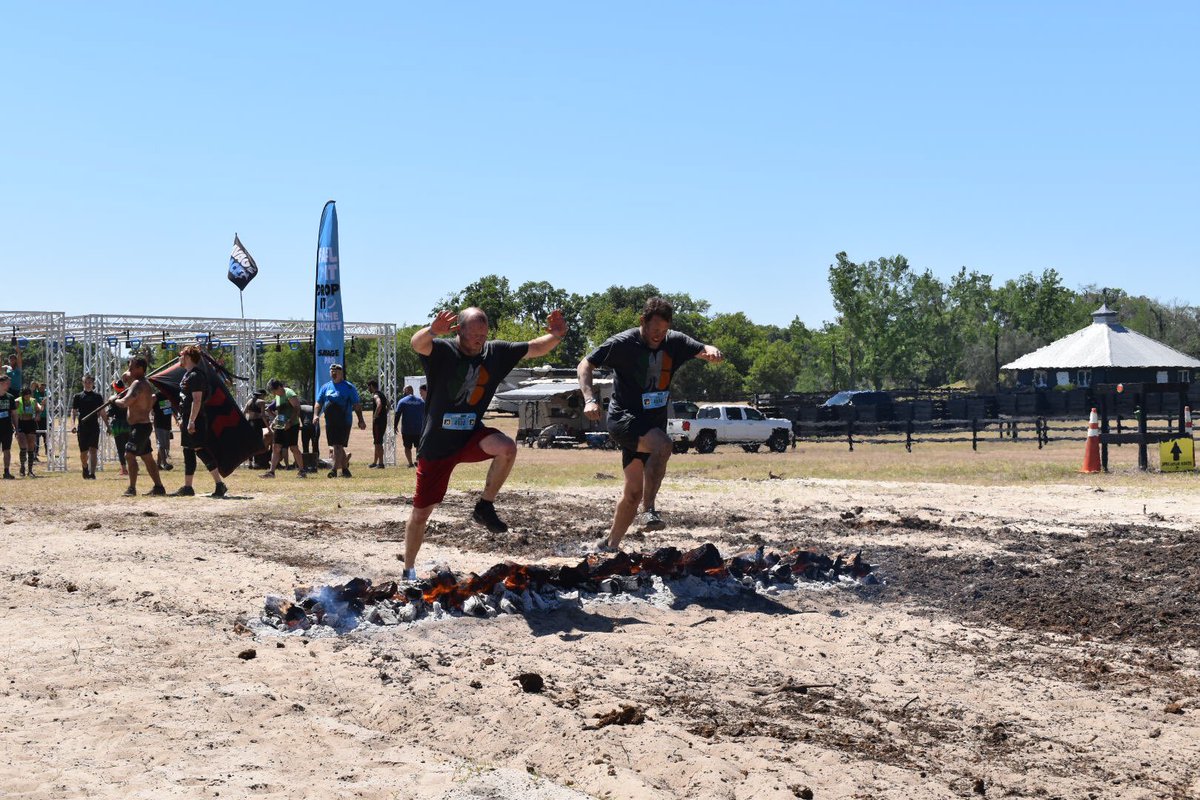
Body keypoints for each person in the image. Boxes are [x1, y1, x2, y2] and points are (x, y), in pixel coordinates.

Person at [401, 307, 566, 580]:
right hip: (437, 447)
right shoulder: (442, 352)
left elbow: (535, 348)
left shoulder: (495, 353)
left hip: (470, 437)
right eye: (474, 334)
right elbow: (416, 343)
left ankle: (484, 507)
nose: (480, 339)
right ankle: (408, 569)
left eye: (484, 334)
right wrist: (431, 330)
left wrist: (557, 336)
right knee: (421, 513)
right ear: (459, 331)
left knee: (507, 447)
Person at [578, 296, 723, 552]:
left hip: (651, 423)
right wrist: (589, 399)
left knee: (632, 493)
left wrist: (710, 351)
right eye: (655, 330)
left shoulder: (674, 341)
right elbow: (585, 364)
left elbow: (701, 348)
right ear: (642, 321)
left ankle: (609, 544)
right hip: (623, 419)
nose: (659, 336)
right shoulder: (623, 343)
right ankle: (651, 511)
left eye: (664, 330)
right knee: (663, 445)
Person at [173, 345, 227, 498]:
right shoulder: (187, 375)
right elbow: (186, 399)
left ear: (188, 357)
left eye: (181, 355)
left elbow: (196, 400)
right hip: (187, 418)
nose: (179, 358)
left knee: (200, 450)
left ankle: (219, 484)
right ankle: (188, 487)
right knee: (188, 451)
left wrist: (191, 421)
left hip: (195, 420)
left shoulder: (196, 375)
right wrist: (181, 417)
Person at [111, 357, 167, 496]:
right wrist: (128, 375)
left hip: (140, 428)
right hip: (141, 426)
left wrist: (114, 400)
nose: (129, 370)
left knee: (129, 455)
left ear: (140, 369)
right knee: (147, 458)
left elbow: (125, 402)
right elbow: (128, 378)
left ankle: (132, 488)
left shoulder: (137, 384)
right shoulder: (143, 384)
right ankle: (159, 487)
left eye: (132, 368)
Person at [314, 364, 366, 478]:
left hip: (343, 420)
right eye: (331, 371)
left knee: (337, 445)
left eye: (336, 371)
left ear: (341, 373)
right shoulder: (325, 387)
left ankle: (334, 470)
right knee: (337, 445)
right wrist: (315, 415)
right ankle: (345, 469)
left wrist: (361, 420)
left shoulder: (349, 387)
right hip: (330, 421)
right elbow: (319, 403)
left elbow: (356, 405)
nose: (333, 373)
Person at [262, 379, 304, 479]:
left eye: (274, 390)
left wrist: (289, 422)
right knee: (276, 447)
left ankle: (302, 471)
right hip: (280, 426)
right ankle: (271, 472)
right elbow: (278, 412)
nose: (273, 393)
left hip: (292, 425)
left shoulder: (289, 393)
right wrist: (276, 419)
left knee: (294, 448)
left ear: (280, 387)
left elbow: (297, 408)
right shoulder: (277, 396)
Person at [70, 374, 106, 479]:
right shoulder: (78, 396)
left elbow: (102, 412)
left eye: (90, 382)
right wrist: (72, 425)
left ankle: (92, 473)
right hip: (83, 427)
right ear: (83, 383)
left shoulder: (98, 397)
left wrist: (108, 425)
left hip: (94, 426)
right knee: (84, 453)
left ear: (93, 383)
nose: (88, 384)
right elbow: (74, 412)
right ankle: (85, 467)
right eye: (86, 382)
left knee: (93, 450)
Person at [393, 384, 426, 468]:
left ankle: (410, 463)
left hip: (407, 429)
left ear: (407, 390)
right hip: (419, 428)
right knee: (418, 446)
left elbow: (398, 414)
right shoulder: (420, 401)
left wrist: (395, 425)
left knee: (407, 447)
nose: (403, 392)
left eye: (404, 391)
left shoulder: (402, 401)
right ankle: (418, 461)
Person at [14, 385, 42, 477]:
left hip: (31, 424)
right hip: (21, 423)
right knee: (23, 447)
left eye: (29, 394)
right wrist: (15, 427)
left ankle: (30, 470)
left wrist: (38, 414)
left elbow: (39, 410)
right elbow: (13, 414)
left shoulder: (33, 401)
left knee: (31, 447)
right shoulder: (17, 401)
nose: (27, 396)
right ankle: (22, 466)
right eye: (26, 394)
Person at [107, 380, 130, 477]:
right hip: (129, 424)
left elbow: (111, 413)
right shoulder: (128, 396)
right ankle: (133, 466)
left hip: (118, 425)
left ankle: (124, 469)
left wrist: (106, 413)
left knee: (120, 448)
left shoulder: (115, 400)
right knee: (129, 447)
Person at [367, 379, 389, 469]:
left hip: (378, 422)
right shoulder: (382, 394)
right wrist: (384, 414)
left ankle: (381, 464)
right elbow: (389, 405)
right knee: (377, 442)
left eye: (368, 387)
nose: (368, 389)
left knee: (378, 443)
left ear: (371, 386)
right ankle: (375, 462)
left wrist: (375, 416)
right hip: (383, 421)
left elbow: (379, 405)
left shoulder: (376, 395)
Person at [153, 387, 175, 471]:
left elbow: (171, 409)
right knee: (161, 444)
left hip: (167, 423)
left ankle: (158, 465)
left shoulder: (169, 395)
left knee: (165, 445)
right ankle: (165, 463)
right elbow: (151, 407)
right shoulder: (157, 395)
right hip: (159, 423)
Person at [0, 375, 17, 478]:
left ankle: (6, 471)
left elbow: (14, 414)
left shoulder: (10, 397)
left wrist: (17, 428)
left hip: (7, 428)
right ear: (1, 383)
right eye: (7, 383)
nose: (9, 385)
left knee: (7, 450)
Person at [299, 401, 319, 474]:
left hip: (306, 427)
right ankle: (316, 463)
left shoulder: (299, 408)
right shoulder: (309, 407)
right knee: (315, 445)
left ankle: (306, 464)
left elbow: (300, 419)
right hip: (315, 426)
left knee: (305, 445)